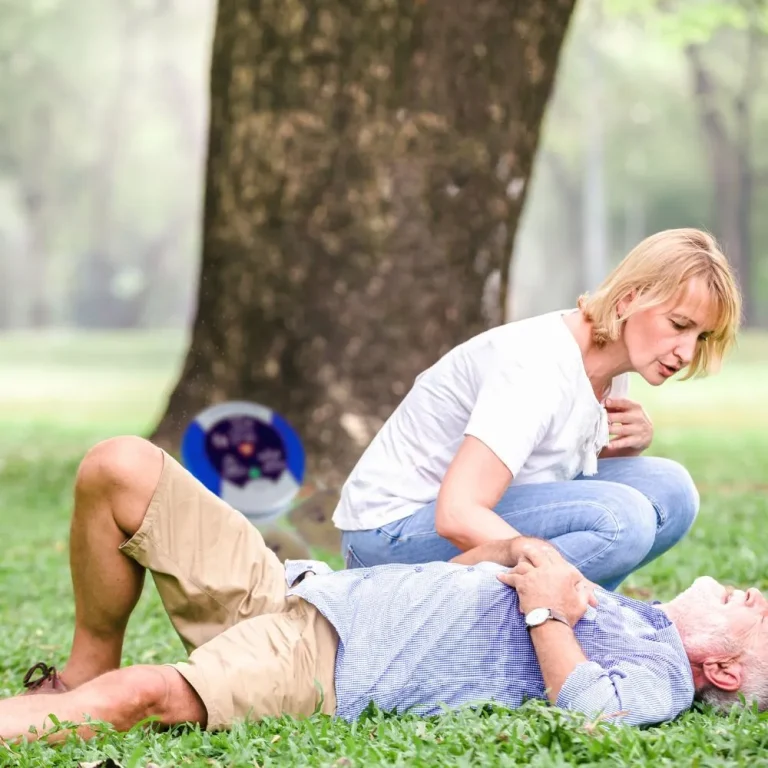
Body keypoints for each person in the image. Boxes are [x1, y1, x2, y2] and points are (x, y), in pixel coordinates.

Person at [4, 439, 765, 744]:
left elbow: (599, 716)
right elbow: (465, 583)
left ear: (725, 671)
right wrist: (513, 549)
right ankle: (84, 664)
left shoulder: (662, 672)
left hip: (323, 661)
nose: (755, 594)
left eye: (761, 616)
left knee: (142, 695)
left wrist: (546, 606)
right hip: (297, 590)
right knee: (122, 467)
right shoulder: (630, 612)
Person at [333, 228, 742, 590]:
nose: (687, 352)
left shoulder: (613, 362)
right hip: (385, 539)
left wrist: (612, 448)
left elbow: (539, 460)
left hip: (458, 511)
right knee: (623, 519)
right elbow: (457, 513)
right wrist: (546, 570)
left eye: (702, 337)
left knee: (672, 489)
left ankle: (569, 619)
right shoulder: (537, 364)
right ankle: (545, 621)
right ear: (629, 300)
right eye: (679, 325)